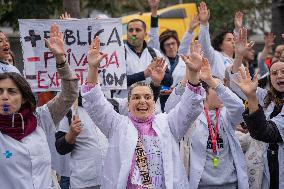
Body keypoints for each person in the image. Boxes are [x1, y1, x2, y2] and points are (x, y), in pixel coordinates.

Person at [81, 36, 205, 188]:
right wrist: (93, 68)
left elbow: (190, 105)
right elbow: (95, 102)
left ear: (154, 102)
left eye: (147, 97)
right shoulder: (116, 125)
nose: (142, 101)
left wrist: (193, 74)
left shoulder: (168, 123)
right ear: (128, 104)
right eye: (136, 97)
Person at [0, 24, 78, 189]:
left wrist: (61, 60)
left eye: (12, 91)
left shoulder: (40, 119)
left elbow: (69, 93)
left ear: (23, 98)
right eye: (0, 91)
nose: (5, 97)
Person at [165, 53, 248, 188]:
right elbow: (169, 109)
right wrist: (188, 77)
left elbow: (239, 108)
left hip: (230, 184)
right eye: (216, 89)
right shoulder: (193, 114)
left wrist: (213, 82)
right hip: (200, 185)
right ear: (205, 92)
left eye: (221, 88)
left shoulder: (227, 114)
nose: (221, 92)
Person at [234, 60, 284, 189]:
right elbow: (236, 85)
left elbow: (264, 132)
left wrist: (251, 97)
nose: (279, 75)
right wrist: (238, 55)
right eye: (274, 73)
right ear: (270, 78)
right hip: (271, 167)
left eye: (283, 72)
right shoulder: (267, 97)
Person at [55, 93, 108, 189]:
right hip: (85, 181)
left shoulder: (108, 106)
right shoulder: (68, 110)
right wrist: (71, 134)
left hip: (111, 179)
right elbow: (60, 148)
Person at [198, 2, 250, 80]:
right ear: (220, 45)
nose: (233, 42)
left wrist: (237, 29)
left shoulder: (239, 63)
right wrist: (204, 24)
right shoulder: (215, 56)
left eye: (233, 39)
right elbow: (205, 45)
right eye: (229, 40)